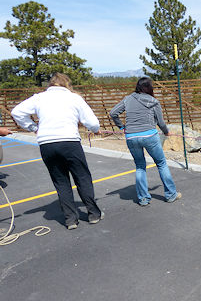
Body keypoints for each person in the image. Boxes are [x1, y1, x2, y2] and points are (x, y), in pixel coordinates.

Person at [11, 73, 103, 230]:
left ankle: (70, 220)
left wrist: (33, 127)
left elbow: (16, 112)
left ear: (51, 84)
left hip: (47, 143)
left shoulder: (39, 97)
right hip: (69, 141)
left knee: (61, 181)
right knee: (82, 177)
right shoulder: (74, 98)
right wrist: (95, 129)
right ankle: (93, 213)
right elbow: (92, 121)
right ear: (67, 84)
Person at [110, 77, 181, 206]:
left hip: (131, 137)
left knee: (140, 166)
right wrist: (166, 132)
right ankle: (171, 194)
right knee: (161, 163)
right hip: (150, 136)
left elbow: (113, 113)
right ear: (149, 88)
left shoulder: (128, 99)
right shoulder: (154, 101)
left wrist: (122, 127)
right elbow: (160, 122)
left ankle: (143, 198)